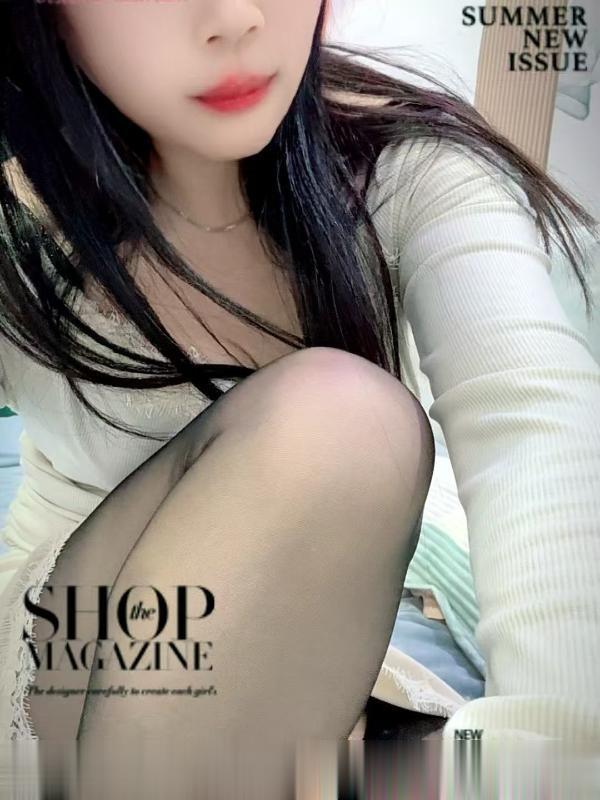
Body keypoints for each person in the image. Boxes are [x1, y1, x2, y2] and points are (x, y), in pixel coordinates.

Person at [0, 0, 599, 791]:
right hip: (62, 659)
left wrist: (550, 751)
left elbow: (534, 429)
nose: (234, 17)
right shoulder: (20, 210)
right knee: (344, 425)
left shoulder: (407, 170)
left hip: (282, 662)